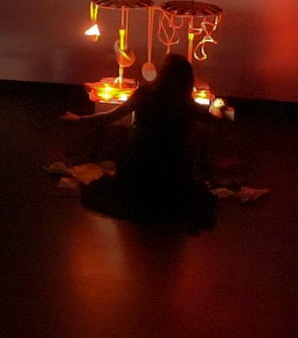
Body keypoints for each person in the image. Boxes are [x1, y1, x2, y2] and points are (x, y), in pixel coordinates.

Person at [60, 54, 219, 228]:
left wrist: (79, 119)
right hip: (172, 173)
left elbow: (111, 116)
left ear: (164, 74)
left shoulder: (146, 93)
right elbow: (216, 119)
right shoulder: (187, 103)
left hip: (137, 165)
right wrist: (224, 109)